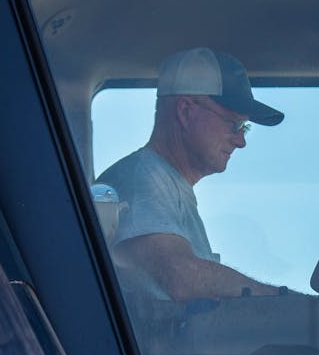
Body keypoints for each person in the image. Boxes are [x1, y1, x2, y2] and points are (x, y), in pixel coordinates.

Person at [97, 47, 285, 302]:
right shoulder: (142, 178)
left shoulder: (167, 184)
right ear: (185, 112)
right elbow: (181, 277)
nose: (241, 142)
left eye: (245, 128)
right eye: (234, 125)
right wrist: (286, 301)